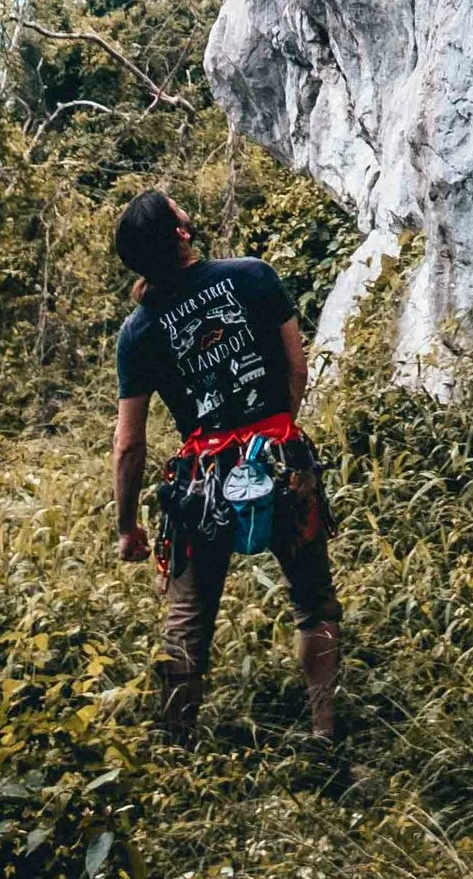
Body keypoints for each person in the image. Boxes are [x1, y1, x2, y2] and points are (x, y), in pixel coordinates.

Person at [109, 188, 341, 745]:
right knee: (314, 603)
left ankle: (179, 746)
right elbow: (297, 368)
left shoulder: (139, 330)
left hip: (201, 483)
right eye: (175, 207)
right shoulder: (253, 276)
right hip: (281, 462)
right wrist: (275, 435)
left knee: (187, 621)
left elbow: (129, 444)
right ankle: (325, 731)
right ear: (180, 233)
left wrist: (127, 526)